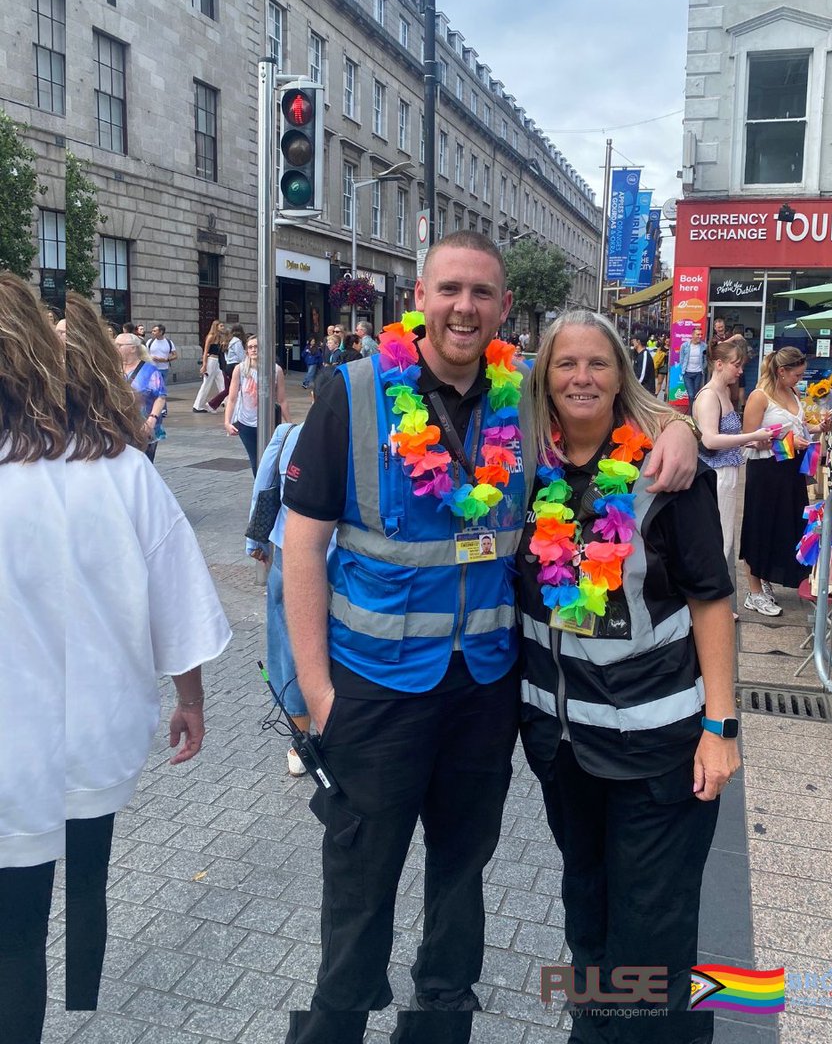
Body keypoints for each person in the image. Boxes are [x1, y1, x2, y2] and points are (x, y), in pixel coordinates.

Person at [279, 231, 700, 1044]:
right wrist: (316, 692)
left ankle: (440, 1017)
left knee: (462, 870)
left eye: (481, 294)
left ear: (504, 308)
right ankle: (336, 1022)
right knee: (361, 876)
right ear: (421, 299)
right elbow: (303, 544)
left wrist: (677, 423)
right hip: (374, 688)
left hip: (483, 688)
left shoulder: (523, 400)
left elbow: (611, 403)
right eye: (449, 290)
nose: (464, 308)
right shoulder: (355, 392)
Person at [0, 279, 230, 1044]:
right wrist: (190, 698)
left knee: (14, 932)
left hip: (13, 743)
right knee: (76, 878)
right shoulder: (121, 469)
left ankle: (60, 1003)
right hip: (94, 725)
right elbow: (180, 597)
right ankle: (83, 989)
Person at [517, 310, 740, 1043]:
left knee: (653, 934)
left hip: (660, 751)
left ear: (622, 374)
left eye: (597, 364)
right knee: (588, 911)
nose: (581, 377)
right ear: (544, 377)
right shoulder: (521, 467)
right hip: (562, 747)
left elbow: (711, 599)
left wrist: (721, 727)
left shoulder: (665, 470)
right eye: (565, 364)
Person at [246, 422, 311, 776]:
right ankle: (316, 738)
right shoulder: (366, 431)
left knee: (290, 646)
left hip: (290, 552)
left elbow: (264, 487)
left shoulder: (287, 433)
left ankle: (301, 742)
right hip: (343, 556)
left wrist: (255, 543)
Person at [739, 345, 824, 616]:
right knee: (759, 526)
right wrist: (786, 442)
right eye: (797, 375)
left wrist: (816, 428)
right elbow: (748, 439)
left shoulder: (792, 392)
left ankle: (765, 577)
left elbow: (795, 424)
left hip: (791, 469)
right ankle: (752, 591)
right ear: (781, 371)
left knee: (784, 525)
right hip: (766, 470)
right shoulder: (759, 397)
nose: (800, 379)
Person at [692, 337, 774, 610]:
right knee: (719, 541)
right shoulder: (708, 396)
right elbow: (710, 440)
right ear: (719, 364)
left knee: (722, 540)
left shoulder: (722, 393)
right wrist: (751, 436)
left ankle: (713, 603)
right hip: (717, 475)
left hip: (725, 473)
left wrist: (751, 441)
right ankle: (708, 604)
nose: (740, 371)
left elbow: (724, 437)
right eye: (736, 365)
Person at [223, 335, 291, 474]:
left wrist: (290, 424)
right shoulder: (240, 369)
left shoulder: (275, 370)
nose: (253, 350)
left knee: (269, 459)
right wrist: (227, 422)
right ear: (246, 351)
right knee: (256, 461)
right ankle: (260, 492)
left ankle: (268, 490)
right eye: (250, 347)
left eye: (256, 347)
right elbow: (232, 398)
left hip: (269, 422)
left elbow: (282, 399)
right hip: (246, 423)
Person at [115, 332, 167, 463]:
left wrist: (152, 419)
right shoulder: (113, 369)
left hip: (143, 428)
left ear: (133, 348)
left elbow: (160, 397)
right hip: (117, 426)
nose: (115, 348)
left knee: (141, 467)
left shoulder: (150, 370)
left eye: (119, 345)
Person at [193, 320, 225, 412]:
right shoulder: (210, 337)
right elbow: (205, 351)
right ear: (216, 327)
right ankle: (197, 406)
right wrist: (204, 365)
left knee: (222, 381)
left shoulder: (220, 337)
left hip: (218, 362)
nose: (223, 327)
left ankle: (225, 401)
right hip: (211, 361)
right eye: (221, 326)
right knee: (207, 383)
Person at [679, 325, 707, 408]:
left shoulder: (704, 346)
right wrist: (683, 369)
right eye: (698, 334)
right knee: (691, 394)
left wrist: (703, 368)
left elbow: (705, 359)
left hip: (698, 373)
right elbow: (682, 359)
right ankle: (692, 412)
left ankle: (694, 412)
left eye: (701, 335)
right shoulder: (684, 346)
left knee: (695, 394)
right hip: (687, 373)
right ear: (692, 335)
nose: (700, 336)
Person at [629, 330, 656, 395]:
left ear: (638, 342)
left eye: (634, 340)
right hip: (640, 390)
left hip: (645, 391)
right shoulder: (639, 354)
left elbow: (642, 376)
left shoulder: (644, 355)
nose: (633, 342)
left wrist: (633, 387)